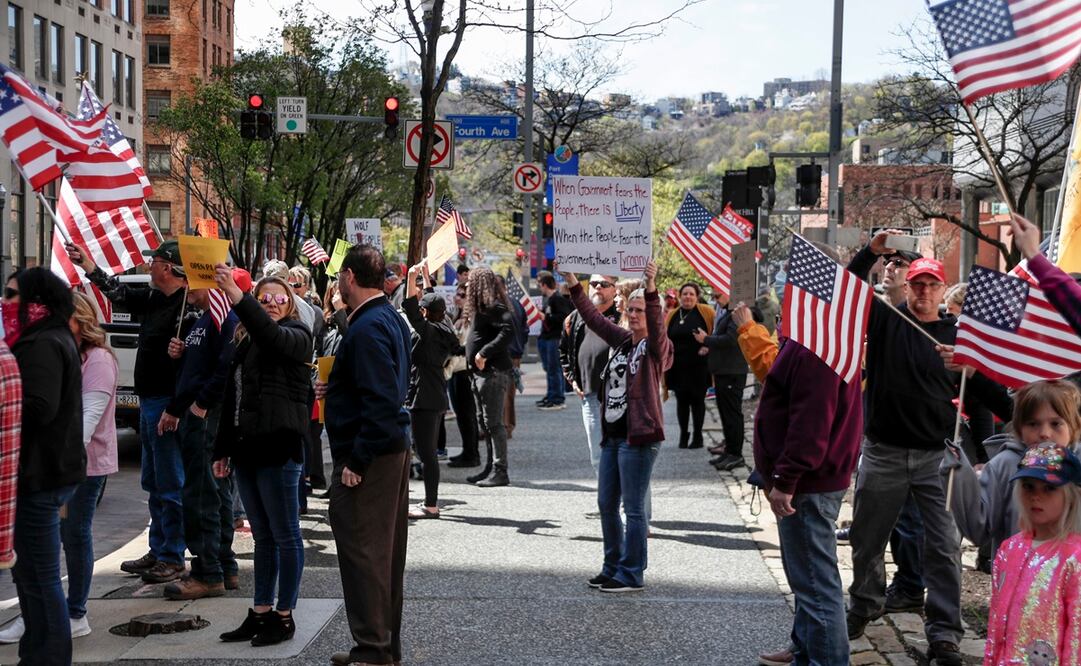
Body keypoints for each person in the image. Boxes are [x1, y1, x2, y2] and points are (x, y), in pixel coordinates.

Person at [844, 231, 1013, 666]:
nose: (923, 291)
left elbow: (997, 402)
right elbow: (847, 286)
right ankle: (863, 606)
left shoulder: (962, 335)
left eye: (931, 284)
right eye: (916, 283)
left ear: (942, 289)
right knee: (866, 540)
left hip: (938, 458)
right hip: (883, 451)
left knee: (943, 549)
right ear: (907, 284)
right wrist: (871, 251)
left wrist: (970, 368)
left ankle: (944, 635)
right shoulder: (886, 319)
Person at [66, 240, 189, 584]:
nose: (148, 267)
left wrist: (176, 406)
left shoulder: (187, 305)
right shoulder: (152, 298)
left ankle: (172, 554)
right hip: (148, 398)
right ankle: (158, 547)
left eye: (154, 262)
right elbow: (117, 293)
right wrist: (89, 266)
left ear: (167, 267)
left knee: (169, 481)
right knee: (152, 480)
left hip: (166, 402)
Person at [753, 289, 863, 666]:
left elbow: (811, 422)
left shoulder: (818, 344)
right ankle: (805, 650)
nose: (785, 302)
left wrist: (785, 478)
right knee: (808, 580)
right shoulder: (817, 336)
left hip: (808, 484)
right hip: (811, 479)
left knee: (817, 586)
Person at [319, 245, 412, 666]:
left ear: (350, 278)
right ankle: (381, 647)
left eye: (340, 275)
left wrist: (356, 462)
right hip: (386, 450)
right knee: (382, 555)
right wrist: (335, 388)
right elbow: (377, 389)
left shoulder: (371, 325)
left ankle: (373, 650)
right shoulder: (383, 317)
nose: (338, 282)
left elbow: (382, 402)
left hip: (371, 456)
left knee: (365, 555)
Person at [212, 270, 312, 647]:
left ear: (291, 304)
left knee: (286, 535)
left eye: (279, 298)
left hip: (280, 448)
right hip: (247, 451)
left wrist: (241, 298)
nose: (271, 303)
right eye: (264, 298)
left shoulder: (297, 336)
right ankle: (260, 612)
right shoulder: (245, 343)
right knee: (263, 538)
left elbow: (272, 338)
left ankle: (284, 616)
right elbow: (231, 399)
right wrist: (222, 450)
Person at [562, 261, 672, 593]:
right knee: (606, 504)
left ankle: (632, 572)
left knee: (633, 509)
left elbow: (656, 322)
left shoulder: (655, 350)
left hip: (639, 438)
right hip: (613, 437)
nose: (636, 315)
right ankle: (612, 566)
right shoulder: (623, 340)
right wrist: (571, 281)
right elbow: (593, 318)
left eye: (641, 310)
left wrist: (650, 287)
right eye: (633, 309)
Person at [4, 268, 84, 664]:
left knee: (39, 577)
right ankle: (36, 652)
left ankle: (48, 656)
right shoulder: (45, 337)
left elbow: (39, 407)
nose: (6, 301)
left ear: (36, 300)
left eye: (13, 294)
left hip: (41, 473)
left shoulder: (42, 343)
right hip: (43, 471)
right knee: (30, 576)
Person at [161, 278, 243, 601]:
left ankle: (207, 572)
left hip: (207, 417)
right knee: (213, 489)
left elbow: (225, 367)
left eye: (192, 278)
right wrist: (181, 355)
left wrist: (201, 403)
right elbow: (201, 366)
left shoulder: (225, 318)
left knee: (201, 492)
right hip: (198, 416)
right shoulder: (203, 319)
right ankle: (223, 565)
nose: (186, 285)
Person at [940, 379, 1081, 555]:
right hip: (1016, 575)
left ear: (1073, 425)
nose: (1045, 433)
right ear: (1019, 427)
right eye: (1033, 424)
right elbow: (977, 528)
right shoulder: (1004, 465)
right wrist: (959, 474)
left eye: (1055, 424)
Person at [983, 442, 1081, 665]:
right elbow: (995, 624)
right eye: (1028, 486)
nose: (1036, 496)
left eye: (1049, 488)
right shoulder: (1009, 550)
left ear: (1071, 495)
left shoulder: (1074, 559)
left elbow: (1077, 635)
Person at [60, 293, 118, 637]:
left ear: (79, 320)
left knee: (73, 536)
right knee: (48, 539)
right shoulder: (60, 354)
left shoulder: (97, 359)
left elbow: (88, 420)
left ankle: (74, 613)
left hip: (83, 466)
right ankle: (42, 609)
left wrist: (58, 464)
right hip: (56, 463)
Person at [402, 262, 458, 519]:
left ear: (425, 313)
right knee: (428, 452)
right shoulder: (445, 326)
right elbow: (428, 302)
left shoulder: (427, 331)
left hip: (423, 396)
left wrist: (411, 276)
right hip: (436, 394)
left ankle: (431, 505)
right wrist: (424, 278)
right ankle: (430, 501)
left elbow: (410, 307)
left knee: (426, 454)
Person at [560, 276, 621, 477]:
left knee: (623, 453)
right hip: (590, 395)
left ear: (614, 290)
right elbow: (564, 352)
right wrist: (572, 378)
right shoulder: (574, 318)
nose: (597, 288)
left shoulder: (624, 316)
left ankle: (623, 502)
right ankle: (607, 503)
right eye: (594, 284)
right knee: (597, 454)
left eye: (604, 285)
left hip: (619, 396)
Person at [463, 267, 515, 487]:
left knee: (493, 423)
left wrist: (484, 352)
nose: (466, 285)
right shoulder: (482, 308)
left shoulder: (494, 306)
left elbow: (509, 330)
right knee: (485, 422)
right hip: (480, 374)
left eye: (470, 282)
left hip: (492, 373)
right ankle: (489, 467)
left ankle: (500, 470)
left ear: (478, 284)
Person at [696, 293, 749, 471]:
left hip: (732, 371)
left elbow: (731, 340)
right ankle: (729, 450)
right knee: (726, 414)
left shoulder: (736, 313)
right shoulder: (727, 312)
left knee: (732, 414)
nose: (715, 298)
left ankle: (735, 454)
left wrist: (706, 339)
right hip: (724, 370)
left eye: (718, 295)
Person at [664, 282, 715, 449]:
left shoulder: (706, 312)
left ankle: (698, 436)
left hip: (699, 366)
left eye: (691, 294)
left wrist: (708, 345)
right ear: (680, 296)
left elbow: (715, 332)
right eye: (685, 294)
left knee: (697, 401)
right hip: (678, 366)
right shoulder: (673, 314)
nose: (688, 297)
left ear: (697, 296)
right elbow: (665, 337)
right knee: (682, 401)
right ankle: (683, 434)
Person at [447, 285, 481, 468]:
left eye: (462, 295)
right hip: (455, 370)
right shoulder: (456, 316)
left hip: (465, 371)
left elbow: (469, 346)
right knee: (461, 414)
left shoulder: (473, 318)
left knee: (467, 414)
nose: (457, 298)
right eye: (457, 294)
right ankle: (467, 451)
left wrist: (453, 346)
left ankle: (471, 454)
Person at [537, 272, 573, 410]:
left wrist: (546, 317)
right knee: (550, 369)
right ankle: (551, 395)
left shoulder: (557, 299)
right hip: (547, 337)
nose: (540, 289)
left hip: (555, 337)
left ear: (545, 285)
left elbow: (563, 317)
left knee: (554, 369)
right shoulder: (550, 299)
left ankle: (557, 398)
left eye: (540, 285)